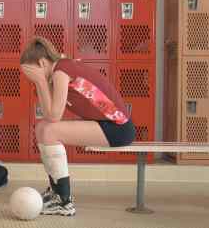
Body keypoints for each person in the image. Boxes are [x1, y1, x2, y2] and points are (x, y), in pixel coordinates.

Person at [19, 37, 136, 216]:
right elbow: (48, 115)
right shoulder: (57, 72)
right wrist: (40, 82)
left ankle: (64, 201)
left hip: (118, 128)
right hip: (105, 124)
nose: (30, 78)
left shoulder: (62, 70)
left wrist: (40, 82)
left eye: (31, 73)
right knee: (42, 128)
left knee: (49, 130)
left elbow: (55, 116)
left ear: (42, 63)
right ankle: (56, 192)